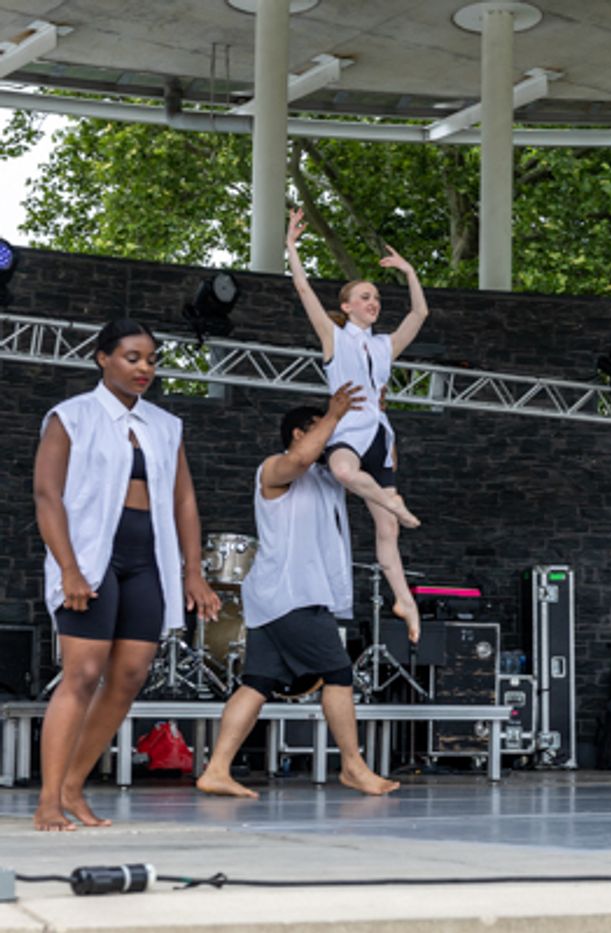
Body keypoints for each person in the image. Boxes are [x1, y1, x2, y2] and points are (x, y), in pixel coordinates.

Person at [32, 319, 221, 830]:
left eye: (152, 360)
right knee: (83, 674)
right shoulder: (71, 417)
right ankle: (49, 799)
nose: (144, 368)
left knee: (131, 675)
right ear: (103, 358)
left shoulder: (165, 425)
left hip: (147, 560)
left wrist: (192, 571)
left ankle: (75, 785)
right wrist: (69, 567)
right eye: (132, 357)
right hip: (92, 558)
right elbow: (47, 496)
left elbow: (184, 500)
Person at [197, 386, 401, 798]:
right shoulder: (274, 469)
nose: (333, 436)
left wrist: (377, 422)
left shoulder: (329, 479)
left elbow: (382, 470)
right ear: (297, 432)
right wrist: (334, 413)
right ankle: (353, 767)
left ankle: (216, 769)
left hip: (277, 597)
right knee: (339, 675)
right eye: (323, 429)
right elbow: (302, 457)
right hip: (294, 595)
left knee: (257, 681)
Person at [286, 207, 426, 642]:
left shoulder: (384, 346)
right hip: (347, 430)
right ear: (347, 307)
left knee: (386, 532)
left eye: (377, 299)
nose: (373, 303)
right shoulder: (334, 337)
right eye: (365, 297)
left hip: (378, 433)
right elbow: (305, 290)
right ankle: (395, 503)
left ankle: (405, 601)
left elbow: (418, 314)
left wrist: (409, 272)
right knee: (345, 472)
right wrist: (291, 246)